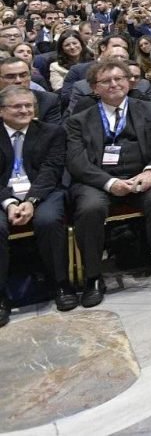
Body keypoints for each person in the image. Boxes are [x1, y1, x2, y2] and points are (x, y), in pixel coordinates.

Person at [67, 60, 151, 305]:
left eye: (119, 78)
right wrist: (109, 183)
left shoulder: (147, 109)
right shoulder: (79, 119)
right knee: (89, 208)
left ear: (130, 82)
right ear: (94, 88)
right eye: (106, 81)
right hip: (98, 181)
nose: (114, 84)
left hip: (141, 175)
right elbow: (77, 162)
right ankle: (93, 277)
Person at [0, 86, 73, 318]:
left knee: (49, 220)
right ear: (2, 111)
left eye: (28, 106)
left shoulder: (52, 132)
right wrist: (9, 202)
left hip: (42, 191)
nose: (24, 110)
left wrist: (31, 200)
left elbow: (51, 170)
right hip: (3, 195)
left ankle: (61, 283)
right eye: (17, 106)